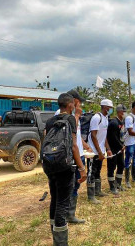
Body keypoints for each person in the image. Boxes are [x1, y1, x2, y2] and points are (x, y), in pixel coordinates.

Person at [44, 93, 87, 245]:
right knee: (62, 203)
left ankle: (54, 233)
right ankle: (61, 243)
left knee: (54, 200)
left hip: (50, 165)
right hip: (64, 166)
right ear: (70, 105)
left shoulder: (50, 121)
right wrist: (81, 168)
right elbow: (74, 146)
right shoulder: (70, 119)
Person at [55, 89, 89, 222]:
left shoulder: (74, 114)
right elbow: (69, 131)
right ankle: (67, 214)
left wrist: (85, 145)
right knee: (68, 184)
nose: (80, 103)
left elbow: (76, 135)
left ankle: (70, 212)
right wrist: (77, 116)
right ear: (72, 101)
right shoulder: (61, 114)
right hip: (70, 155)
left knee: (75, 184)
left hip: (79, 153)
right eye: (78, 101)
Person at [87, 99, 114, 202]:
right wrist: (98, 152)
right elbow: (93, 135)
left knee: (97, 171)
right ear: (105, 107)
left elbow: (104, 136)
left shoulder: (105, 118)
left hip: (101, 150)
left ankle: (97, 191)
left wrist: (108, 149)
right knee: (91, 172)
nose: (111, 110)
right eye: (110, 108)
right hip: (94, 151)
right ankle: (91, 196)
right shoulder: (96, 118)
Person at [106, 104, 127, 195]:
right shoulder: (114, 123)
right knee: (111, 167)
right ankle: (112, 186)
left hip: (120, 148)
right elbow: (113, 137)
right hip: (113, 148)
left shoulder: (121, 122)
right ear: (119, 112)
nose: (125, 113)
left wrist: (123, 145)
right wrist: (120, 146)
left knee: (121, 165)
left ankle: (118, 183)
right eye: (124, 111)